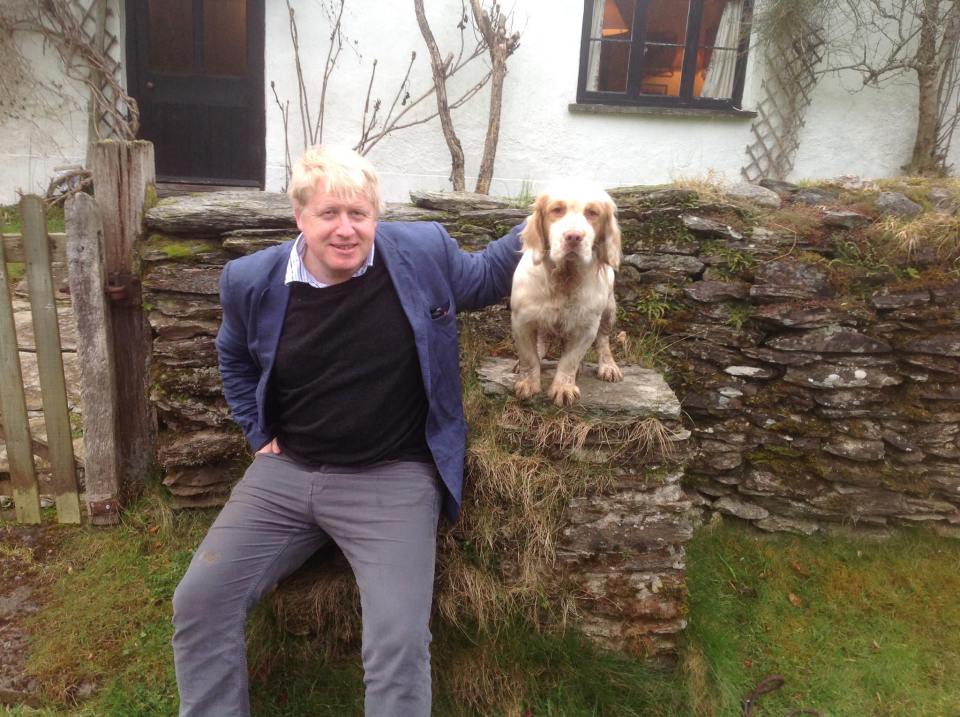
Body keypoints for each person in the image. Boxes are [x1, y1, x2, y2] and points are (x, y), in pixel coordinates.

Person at [171, 145, 522, 717]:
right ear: (300, 218)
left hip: (393, 477)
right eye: (328, 213)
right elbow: (232, 355)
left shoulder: (421, 253)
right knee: (200, 602)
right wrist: (257, 433)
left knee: (397, 642)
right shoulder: (251, 280)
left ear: (376, 218)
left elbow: (485, 277)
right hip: (286, 474)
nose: (344, 229)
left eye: (358, 214)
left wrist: (550, 218)